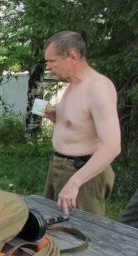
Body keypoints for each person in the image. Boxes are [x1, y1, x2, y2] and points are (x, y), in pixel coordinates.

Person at [39, 31, 121, 216]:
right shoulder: (72, 85)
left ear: (72, 56)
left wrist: (75, 182)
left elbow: (112, 146)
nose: (48, 67)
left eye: (52, 61)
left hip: (82, 173)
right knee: (52, 226)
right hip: (60, 166)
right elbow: (79, 125)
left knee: (83, 234)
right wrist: (56, 116)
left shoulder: (98, 87)